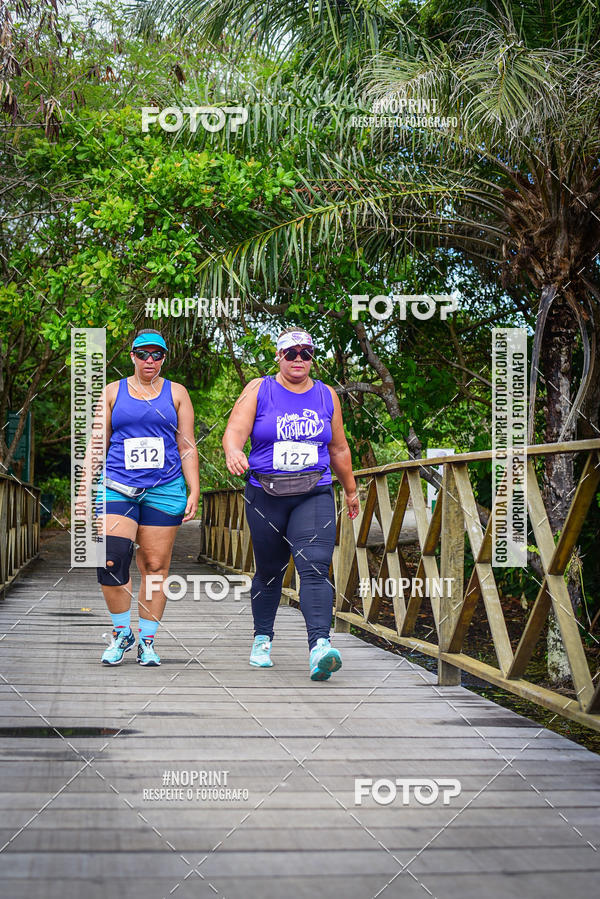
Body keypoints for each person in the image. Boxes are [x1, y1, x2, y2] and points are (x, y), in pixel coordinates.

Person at [222, 327, 359, 680]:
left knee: (314, 565)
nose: (299, 359)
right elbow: (234, 432)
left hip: (314, 491)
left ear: (312, 358)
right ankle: (262, 638)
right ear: (279, 357)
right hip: (265, 493)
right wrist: (234, 452)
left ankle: (320, 647)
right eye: (291, 353)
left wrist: (351, 489)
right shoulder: (259, 389)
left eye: (306, 353)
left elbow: (339, 448)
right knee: (270, 570)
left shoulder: (326, 395)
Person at [88, 328, 199, 667]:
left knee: (154, 567)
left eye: (157, 355)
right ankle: (122, 633)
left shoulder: (177, 393)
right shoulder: (112, 392)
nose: (150, 360)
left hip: (164, 489)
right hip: (117, 485)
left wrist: (194, 488)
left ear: (164, 358)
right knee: (110, 560)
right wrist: (82, 492)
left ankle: (147, 642)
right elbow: (96, 445)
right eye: (144, 354)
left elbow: (186, 445)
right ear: (133, 356)